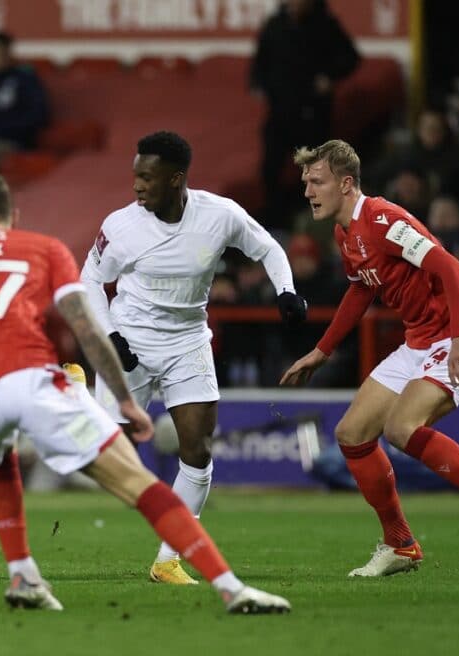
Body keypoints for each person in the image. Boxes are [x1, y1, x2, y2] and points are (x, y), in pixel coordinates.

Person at [0, 172, 290, 615]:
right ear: (13, 217)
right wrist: (126, 400)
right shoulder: (43, 248)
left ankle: (23, 575)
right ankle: (232, 589)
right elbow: (87, 329)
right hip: (30, 381)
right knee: (136, 482)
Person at [280, 139, 459, 576]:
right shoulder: (345, 235)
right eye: (306, 182)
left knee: (400, 428)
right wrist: (321, 352)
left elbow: (452, 269)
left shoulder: (383, 220)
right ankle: (399, 544)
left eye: (317, 181)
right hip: (419, 342)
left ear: (346, 184)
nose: (308, 191)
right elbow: (362, 288)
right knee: (352, 433)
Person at [79, 131, 307, 584]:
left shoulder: (219, 215)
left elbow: (268, 248)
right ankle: (74, 398)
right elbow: (88, 281)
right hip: (131, 341)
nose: (138, 185)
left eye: (148, 177)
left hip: (187, 342)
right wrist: (112, 337)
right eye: (135, 175)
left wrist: (286, 290)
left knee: (198, 450)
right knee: (101, 452)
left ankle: (168, 559)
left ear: (176, 179)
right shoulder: (121, 226)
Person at [250, 0, 359, 227]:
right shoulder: (275, 25)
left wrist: (329, 77)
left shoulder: (326, 26)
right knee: (270, 167)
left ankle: (309, 221)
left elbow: (351, 58)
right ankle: (274, 221)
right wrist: (259, 84)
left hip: (312, 113)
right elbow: (260, 62)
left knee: (313, 170)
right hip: (280, 111)